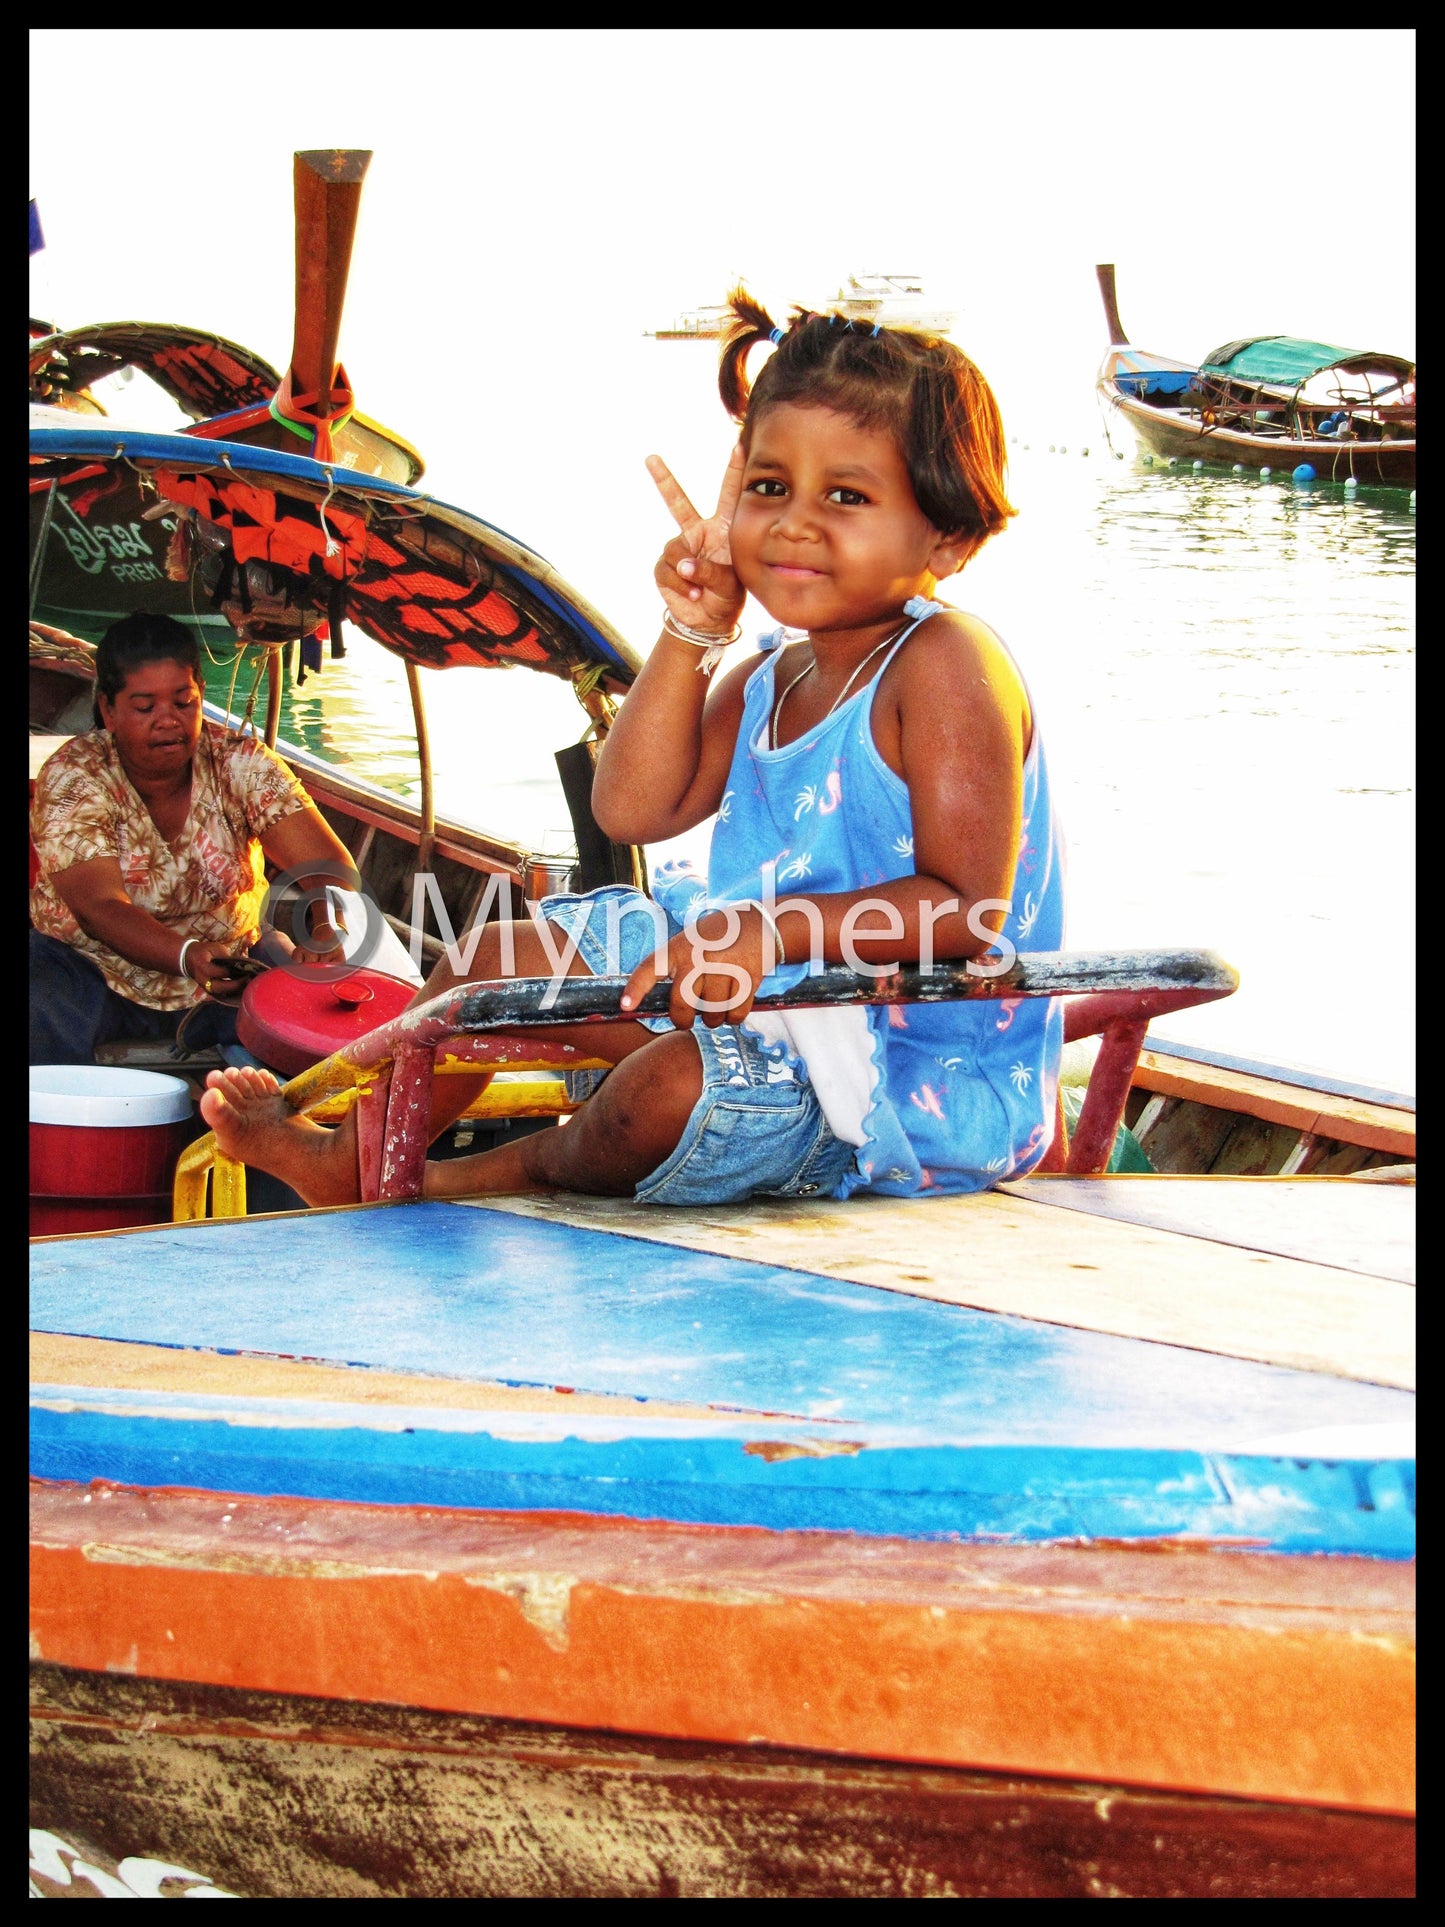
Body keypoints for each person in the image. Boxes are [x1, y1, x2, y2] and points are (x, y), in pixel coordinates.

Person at [199, 292, 1065, 1205]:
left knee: (658, 1096)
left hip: (897, 1081)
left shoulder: (943, 660)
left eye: (845, 495)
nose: (795, 523)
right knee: (493, 956)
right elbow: (630, 810)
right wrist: (693, 630)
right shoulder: (767, 675)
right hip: (761, 995)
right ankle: (357, 1156)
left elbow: (968, 912)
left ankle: (445, 1181)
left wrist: (769, 932)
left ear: (950, 534)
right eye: (769, 488)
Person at [30, 611, 361, 1065]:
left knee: (336, 1029)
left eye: (183, 703)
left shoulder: (240, 763)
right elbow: (99, 909)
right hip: (88, 971)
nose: (167, 721)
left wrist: (325, 926)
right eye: (145, 707)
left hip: (233, 968)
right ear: (108, 708)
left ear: (201, 696)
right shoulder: (75, 777)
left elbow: (328, 867)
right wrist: (187, 957)